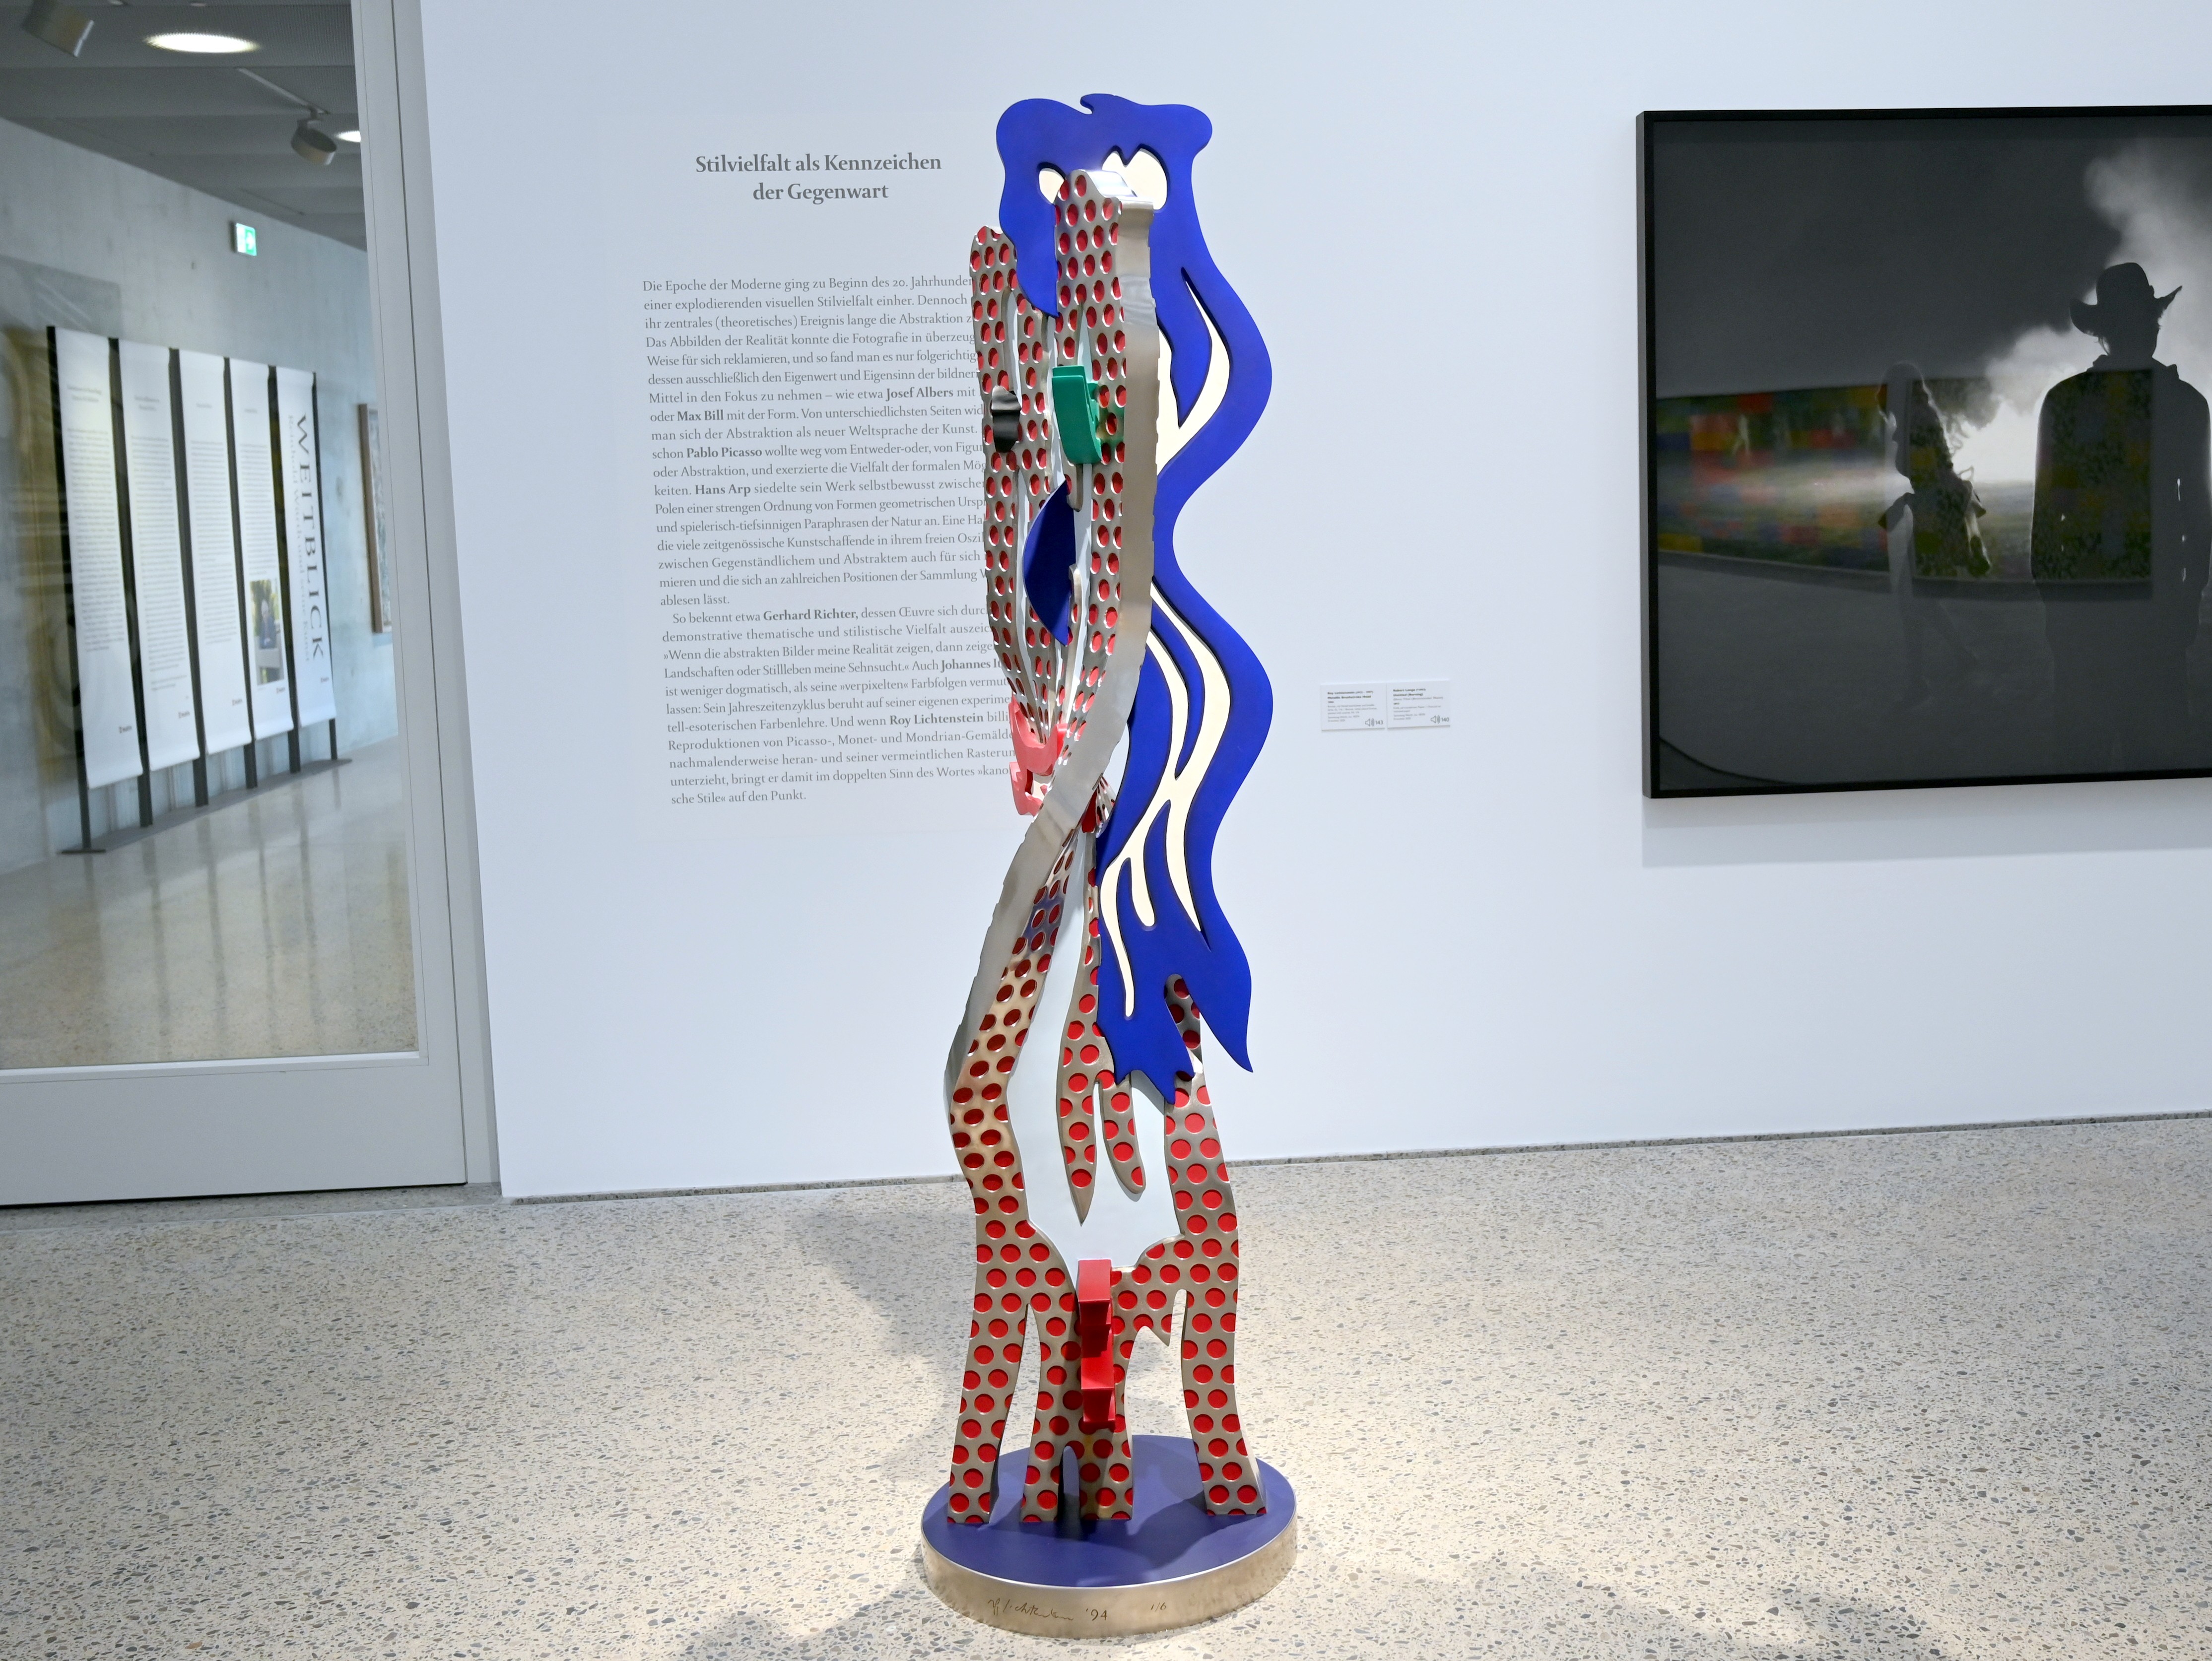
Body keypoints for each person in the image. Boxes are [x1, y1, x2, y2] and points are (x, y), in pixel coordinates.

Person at [2031, 262, 2212, 771]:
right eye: (2146, 318)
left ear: (2101, 332)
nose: (2149, 327)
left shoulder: (2064, 402)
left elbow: (2047, 520)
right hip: (2155, 606)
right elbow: (2197, 514)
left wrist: (2056, 609)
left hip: (2087, 608)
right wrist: (2188, 601)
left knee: (2081, 758)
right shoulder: (2184, 403)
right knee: (2153, 760)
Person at [1878, 364, 1987, 705]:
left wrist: (1906, 504)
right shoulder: (1917, 418)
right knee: (1918, 597)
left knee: (1910, 597)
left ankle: (1918, 683)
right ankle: (1960, 656)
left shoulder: (1919, 421)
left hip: (1935, 519)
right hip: (1933, 515)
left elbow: (1935, 478)